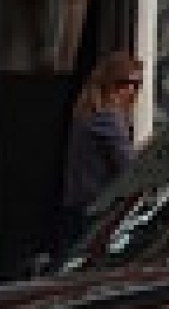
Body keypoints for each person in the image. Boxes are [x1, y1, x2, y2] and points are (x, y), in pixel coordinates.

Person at [54, 50, 141, 255]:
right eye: (131, 84)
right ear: (115, 85)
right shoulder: (108, 119)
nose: (134, 91)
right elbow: (129, 168)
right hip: (97, 210)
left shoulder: (87, 114)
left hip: (77, 206)